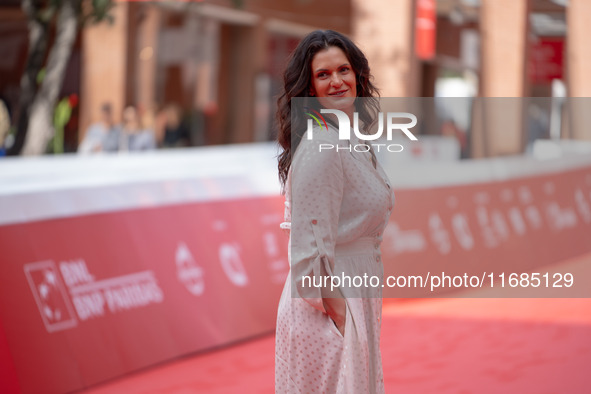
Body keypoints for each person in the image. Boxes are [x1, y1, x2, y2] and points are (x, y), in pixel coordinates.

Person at [275, 30, 394, 393]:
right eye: (323, 74)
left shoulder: (349, 138)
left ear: (358, 75)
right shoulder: (323, 145)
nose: (337, 81)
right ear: (309, 88)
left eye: (343, 70)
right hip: (329, 308)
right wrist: (341, 317)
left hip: (354, 294)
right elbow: (308, 245)